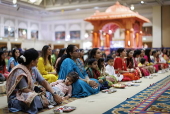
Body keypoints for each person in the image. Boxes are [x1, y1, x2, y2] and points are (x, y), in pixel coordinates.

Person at [6, 48, 62, 114]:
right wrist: (41, 94)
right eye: (37, 59)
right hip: (18, 97)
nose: (38, 61)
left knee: (55, 89)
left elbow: (43, 82)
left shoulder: (33, 68)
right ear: (32, 61)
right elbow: (25, 90)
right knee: (35, 98)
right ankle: (46, 101)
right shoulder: (20, 71)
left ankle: (48, 99)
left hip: (32, 91)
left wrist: (54, 94)